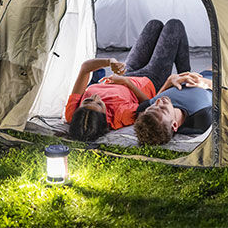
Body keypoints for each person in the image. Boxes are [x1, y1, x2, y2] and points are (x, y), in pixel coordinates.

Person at [65, 19, 197, 141]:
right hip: (150, 80)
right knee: (174, 26)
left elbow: (85, 68)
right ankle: (187, 79)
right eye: (99, 104)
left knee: (154, 25)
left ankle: (185, 78)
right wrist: (125, 82)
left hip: (127, 72)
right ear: (104, 118)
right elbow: (149, 103)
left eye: (87, 100)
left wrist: (109, 61)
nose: (95, 97)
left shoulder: (74, 114)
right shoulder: (120, 116)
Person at [134, 70, 213, 145]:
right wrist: (208, 84)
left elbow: (156, 99)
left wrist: (169, 81)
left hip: (201, 73)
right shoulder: (202, 118)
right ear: (174, 125)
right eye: (163, 109)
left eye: (153, 106)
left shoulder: (146, 112)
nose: (159, 101)